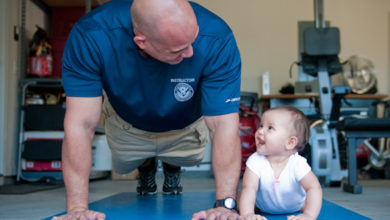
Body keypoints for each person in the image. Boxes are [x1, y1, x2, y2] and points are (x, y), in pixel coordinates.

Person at [53, 0, 242, 219]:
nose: (191, 53)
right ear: (141, 42)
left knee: (182, 155)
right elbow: (80, 124)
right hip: (128, 125)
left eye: (193, 41)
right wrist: (77, 209)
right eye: (179, 49)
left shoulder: (216, 37)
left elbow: (223, 125)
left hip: (185, 124)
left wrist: (225, 206)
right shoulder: (91, 35)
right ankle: (146, 164)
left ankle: (171, 163)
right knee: (129, 162)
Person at [238, 106, 322, 220]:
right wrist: (247, 214)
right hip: (262, 207)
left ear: (290, 142)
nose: (260, 131)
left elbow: (314, 187)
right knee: (241, 198)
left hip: (296, 206)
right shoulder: (255, 160)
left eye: (270, 128)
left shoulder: (298, 164)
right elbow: (249, 188)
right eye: (261, 126)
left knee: (310, 200)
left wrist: (309, 215)